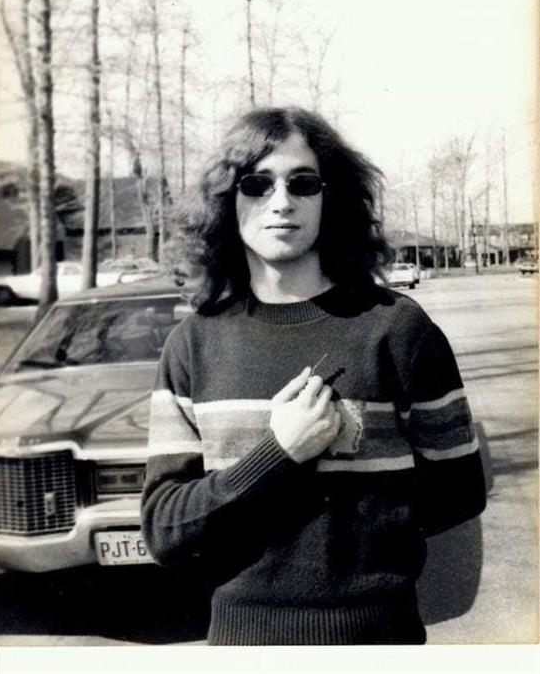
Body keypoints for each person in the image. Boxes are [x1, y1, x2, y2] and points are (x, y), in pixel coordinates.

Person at [141, 106, 486, 645]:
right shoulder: (193, 345)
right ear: (228, 202)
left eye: (303, 183)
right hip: (242, 642)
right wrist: (278, 453)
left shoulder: (398, 330)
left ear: (333, 198)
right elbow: (164, 531)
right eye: (257, 184)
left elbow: (460, 493)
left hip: (379, 638)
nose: (281, 202)